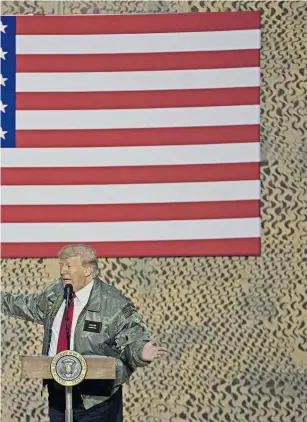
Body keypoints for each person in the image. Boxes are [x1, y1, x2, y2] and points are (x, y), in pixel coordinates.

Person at [1, 244, 167, 421]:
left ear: (87, 270)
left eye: (69, 266)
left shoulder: (112, 302)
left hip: (96, 402)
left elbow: (132, 337)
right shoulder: (56, 293)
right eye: (61, 265)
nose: (63, 271)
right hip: (58, 398)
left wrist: (140, 351)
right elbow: (26, 305)